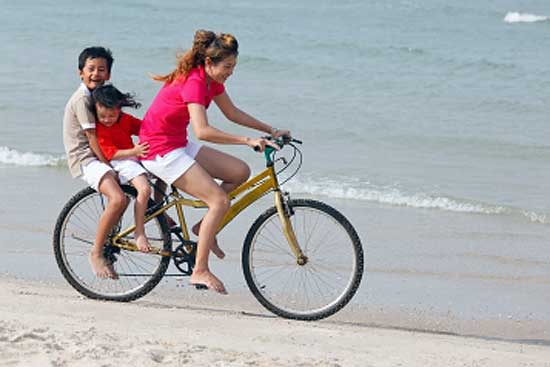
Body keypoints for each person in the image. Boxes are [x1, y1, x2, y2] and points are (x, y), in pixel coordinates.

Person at [139, 30, 290, 294]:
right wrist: (247, 141)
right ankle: (200, 270)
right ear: (209, 63)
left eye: (234, 66)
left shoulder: (212, 81)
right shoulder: (195, 81)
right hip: (159, 149)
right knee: (219, 201)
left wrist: (270, 130)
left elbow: (232, 113)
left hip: (177, 143)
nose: (230, 72)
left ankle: (204, 226)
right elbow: (203, 131)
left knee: (240, 171)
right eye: (227, 66)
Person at [62, 47, 126, 279]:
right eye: (91, 69)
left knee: (150, 171)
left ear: (108, 74)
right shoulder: (82, 99)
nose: (96, 74)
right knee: (119, 198)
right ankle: (96, 253)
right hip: (85, 157)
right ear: (81, 73)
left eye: (101, 69)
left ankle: (160, 217)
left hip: (100, 153)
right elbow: (91, 138)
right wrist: (109, 165)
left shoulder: (102, 97)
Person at [91, 84, 152, 252]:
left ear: (119, 109)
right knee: (145, 189)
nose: (107, 119)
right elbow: (110, 154)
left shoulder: (124, 119)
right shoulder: (100, 127)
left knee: (164, 173)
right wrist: (134, 150)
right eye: (102, 116)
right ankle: (139, 231)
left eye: (112, 115)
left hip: (133, 157)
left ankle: (157, 209)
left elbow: (143, 128)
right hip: (121, 161)